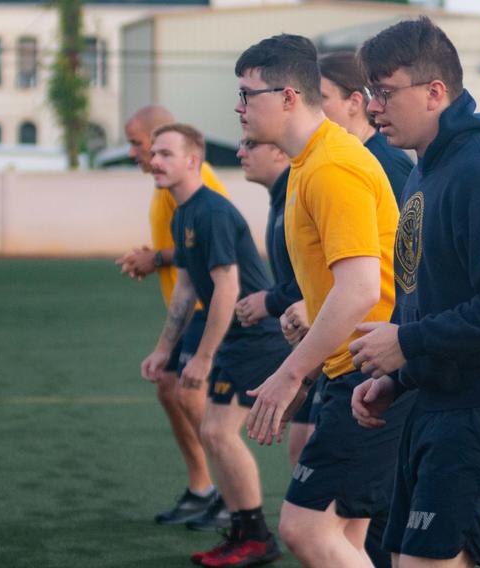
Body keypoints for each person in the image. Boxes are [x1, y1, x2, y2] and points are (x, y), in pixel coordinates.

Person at [349, 17, 480, 568]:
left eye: (386, 92)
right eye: (372, 92)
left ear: (435, 91)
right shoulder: (428, 170)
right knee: (405, 559)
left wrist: (409, 344)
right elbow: (439, 296)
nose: (373, 107)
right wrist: (400, 377)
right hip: (441, 398)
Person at [235, 34, 412, 567]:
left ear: (289, 96)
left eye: (249, 94)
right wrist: (311, 371)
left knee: (306, 529)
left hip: (371, 374)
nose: (239, 108)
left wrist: (291, 374)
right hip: (355, 371)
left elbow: (359, 288)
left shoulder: (333, 166)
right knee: (348, 538)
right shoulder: (308, 162)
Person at [140, 124, 291, 567]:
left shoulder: (212, 211)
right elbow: (186, 290)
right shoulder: (182, 213)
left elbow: (227, 288)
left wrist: (203, 357)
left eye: (166, 153)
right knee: (213, 430)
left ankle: (255, 536)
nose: (155, 161)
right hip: (237, 336)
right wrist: (164, 350)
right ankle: (245, 530)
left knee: (220, 432)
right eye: (154, 153)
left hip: (258, 336)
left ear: (193, 161)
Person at [318, 49, 416, 568]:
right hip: (355, 353)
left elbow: (400, 267)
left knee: (336, 523)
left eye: (323, 98)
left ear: (354, 103)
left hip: (380, 356)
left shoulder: (384, 164)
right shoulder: (328, 162)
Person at [116, 105, 231, 529]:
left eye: (136, 143)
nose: (133, 152)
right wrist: (156, 258)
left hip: (209, 307)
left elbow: (216, 245)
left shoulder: (196, 185)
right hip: (188, 309)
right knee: (169, 387)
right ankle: (203, 488)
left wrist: (155, 258)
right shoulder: (163, 184)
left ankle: (232, 496)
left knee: (188, 392)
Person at [231, 138, 308, 467]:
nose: (240, 153)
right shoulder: (282, 199)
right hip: (313, 349)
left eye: (250, 144)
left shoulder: (299, 192)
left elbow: (321, 281)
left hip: (336, 349)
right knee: (301, 451)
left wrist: (271, 301)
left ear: (280, 151)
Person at [319, 51, 414, 201]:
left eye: (321, 98)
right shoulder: (336, 157)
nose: (312, 107)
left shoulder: (388, 163)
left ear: (354, 102)